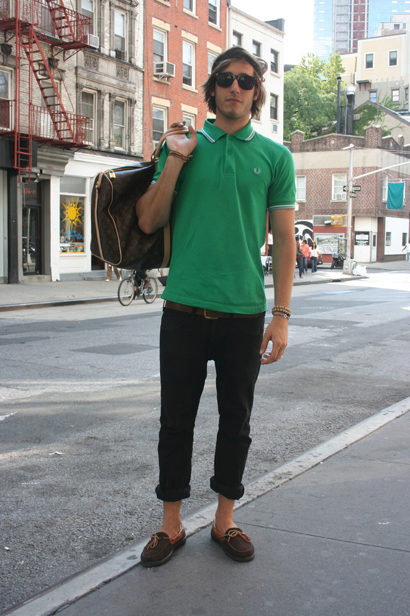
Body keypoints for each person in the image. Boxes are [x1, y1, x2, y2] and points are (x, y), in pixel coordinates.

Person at [136, 46, 296, 567]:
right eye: (225, 78)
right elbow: (148, 220)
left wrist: (281, 316)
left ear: (257, 93)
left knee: (237, 422)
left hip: (244, 313)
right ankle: (171, 525)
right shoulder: (183, 144)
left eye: (246, 81)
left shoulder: (276, 157)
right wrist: (176, 159)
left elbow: (285, 240)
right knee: (174, 422)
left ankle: (225, 520)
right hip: (183, 308)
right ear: (211, 88)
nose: (235, 87)